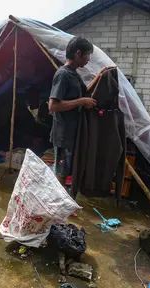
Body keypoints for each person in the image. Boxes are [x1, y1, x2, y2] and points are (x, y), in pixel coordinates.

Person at [49, 36, 96, 187]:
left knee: (68, 170)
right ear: (78, 53)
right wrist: (81, 102)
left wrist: (101, 75)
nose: (89, 59)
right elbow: (53, 106)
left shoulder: (75, 74)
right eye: (88, 54)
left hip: (73, 132)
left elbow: (85, 91)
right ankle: (58, 207)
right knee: (62, 173)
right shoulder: (63, 74)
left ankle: (65, 206)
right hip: (63, 134)